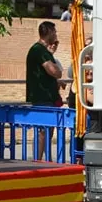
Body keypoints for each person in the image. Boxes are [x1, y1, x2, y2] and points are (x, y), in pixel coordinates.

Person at [25, 21, 63, 160]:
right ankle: (38, 161)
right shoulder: (39, 50)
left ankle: (45, 160)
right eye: (54, 31)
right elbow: (54, 71)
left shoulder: (43, 51)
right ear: (48, 32)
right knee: (42, 131)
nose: (56, 34)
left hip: (48, 97)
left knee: (48, 131)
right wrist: (58, 73)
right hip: (42, 98)